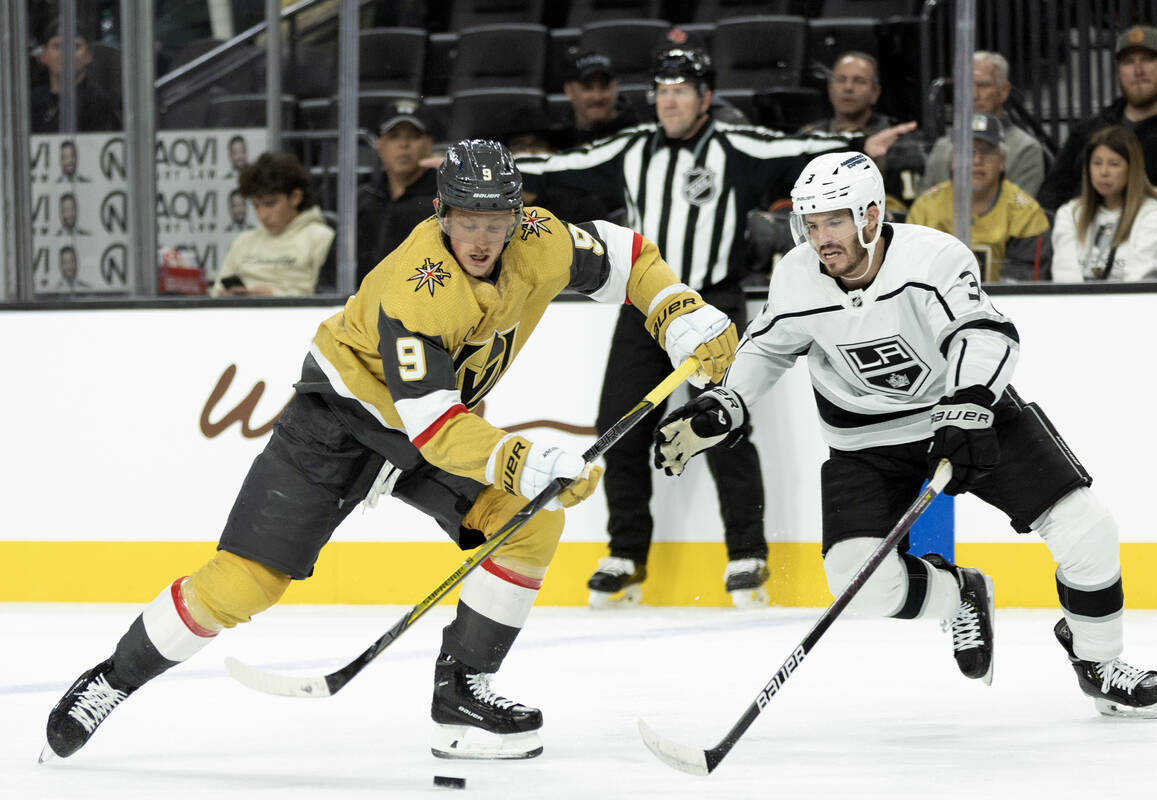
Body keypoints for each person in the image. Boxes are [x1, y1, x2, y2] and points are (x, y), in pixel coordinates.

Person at [40, 139, 740, 763]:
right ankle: (110, 679)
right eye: (468, 222)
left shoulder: (538, 238)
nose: (482, 239)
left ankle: (462, 692)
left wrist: (676, 308)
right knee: (244, 583)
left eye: (496, 223)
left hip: (431, 426)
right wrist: (526, 461)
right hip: (338, 422)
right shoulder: (419, 287)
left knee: (530, 523)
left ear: (517, 215)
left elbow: (626, 256)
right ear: (442, 213)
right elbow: (433, 426)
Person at [653, 150, 1157, 720]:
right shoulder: (798, 274)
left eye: (834, 220)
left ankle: (1099, 662)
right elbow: (768, 346)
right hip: (863, 442)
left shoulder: (933, 257)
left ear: (871, 215)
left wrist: (970, 404)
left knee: (1088, 530)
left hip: (965, 413)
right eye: (810, 222)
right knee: (859, 583)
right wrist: (724, 403)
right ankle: (960, 594)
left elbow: (985, 332)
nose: (820, 237)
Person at [518, 45, 917, 608]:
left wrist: (856, 147)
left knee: (724, 422)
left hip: (713, 306)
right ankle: (626, 555)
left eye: (681, 91)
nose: (670, 101)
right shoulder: (632, 149)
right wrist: (500, 175)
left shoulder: (734, 146)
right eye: (662, 91)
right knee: (619, 425)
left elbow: (794, 150)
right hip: (645, 306)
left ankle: (746, 554)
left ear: (705, 98)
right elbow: (567, 167)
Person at [1039, 25, 1157, 214]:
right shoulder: (1089, 130)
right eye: (1128, 62)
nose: (1138, 70)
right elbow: (1050, 197)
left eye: (1147, 60)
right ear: (1119, 72)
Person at [907, 113, 1050, 282]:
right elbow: (912, 276)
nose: (976, 160)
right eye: (967, 151)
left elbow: (1023, 287)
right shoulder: (925, 207)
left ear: (1002, 160)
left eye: (987, 151)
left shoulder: (1027, 213)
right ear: (953, 158)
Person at [800, 51, 925, 214]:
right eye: (841, 80)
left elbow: (906, 207)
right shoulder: (808, 138)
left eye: (859, 81)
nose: (848, 87)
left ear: (875, 93)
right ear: (830, 90)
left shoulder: (895, 139)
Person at [1050, 125, 1157, 282]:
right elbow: (1065, 277)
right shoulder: (1070, 214)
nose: (1103, 172)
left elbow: (1141, 282)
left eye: (1114, 164)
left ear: (1132, 169)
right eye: (1097, 163)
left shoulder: (1154, 217)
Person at [920, 51, 1046, 198]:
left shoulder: (1025, 149)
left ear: (1003, 91)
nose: (973, 95)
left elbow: (1020, 213)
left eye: (983, 85)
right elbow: (922, 207)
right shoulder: (943, 147)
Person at [210, 152, 334, 297]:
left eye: (270, 204)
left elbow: (327, 299)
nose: (262, 215)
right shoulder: (243, 241)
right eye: (256, 206)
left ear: (295, 197)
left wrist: (272, 297)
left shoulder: (321, 238)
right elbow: (216, 291)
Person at [356, 99, 438, 285]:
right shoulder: (363, 198)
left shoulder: (446, 198)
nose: (404, 144)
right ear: (379, 145)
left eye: (414, 136)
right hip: (359, 304)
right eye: (394, 136)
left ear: (429, 144)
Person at [30, 18, 122, 134]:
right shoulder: (30, 105)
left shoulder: (103, 105)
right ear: (43, 56)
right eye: (57, 46)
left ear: (88, 55)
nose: (65, 53)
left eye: (75, 46)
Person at [560, 50, 643, 147]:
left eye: (604, 86)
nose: (597, 97)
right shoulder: (556, 142)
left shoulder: (638, 139)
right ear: (569, 91)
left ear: (616, 86)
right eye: (587, 87)